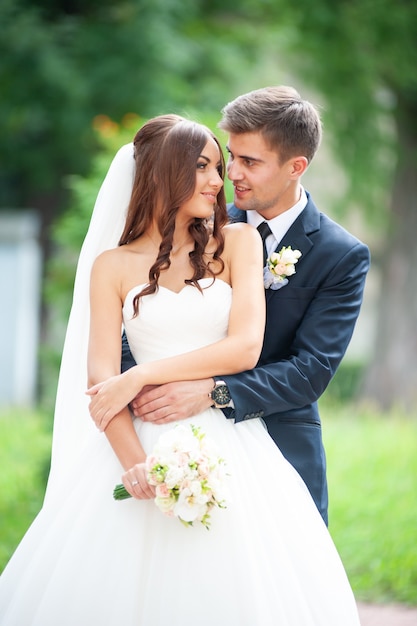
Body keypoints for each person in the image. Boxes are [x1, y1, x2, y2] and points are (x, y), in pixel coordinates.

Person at [0, 114, 361, 626]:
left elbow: (244, 350)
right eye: (207, 167)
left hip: (233, 443)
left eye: (227, 165)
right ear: (163, 174)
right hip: (138, 443)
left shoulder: (237, 242)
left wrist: (142, 375)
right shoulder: (112, 266)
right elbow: (100, 383)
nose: (222, 180)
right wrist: (134, 463)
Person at [123, 86, 371, 525]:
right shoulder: (195, 223)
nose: (230, 174)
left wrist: (212, 392)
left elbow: (309, 370)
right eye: (229, 157)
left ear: (296, 167)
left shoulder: (341, 255)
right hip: (169, 438)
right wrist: (147, 409)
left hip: (280, 441)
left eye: (249, 162)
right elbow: (139, 320)